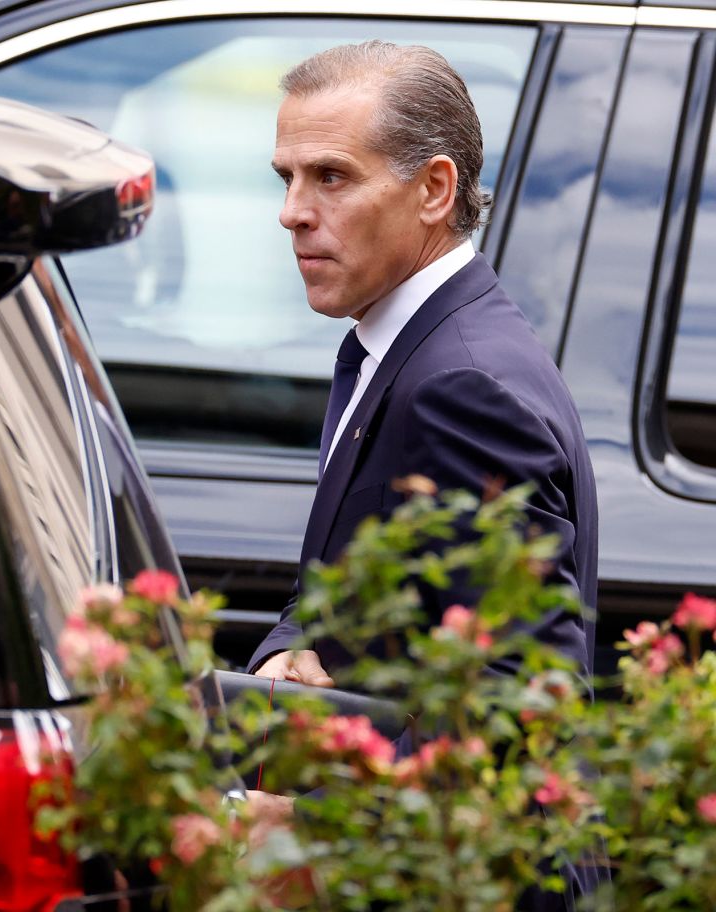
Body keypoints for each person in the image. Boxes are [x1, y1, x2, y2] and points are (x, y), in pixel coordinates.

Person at [244, 40, 603, 909]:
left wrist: (313, 830)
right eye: (286, 176)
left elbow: (513, 723)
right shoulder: (397, 346)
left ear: (434, 191)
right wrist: (289, 657)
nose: (294, 212)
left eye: (331, 176)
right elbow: (335, 600)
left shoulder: (463, 387)